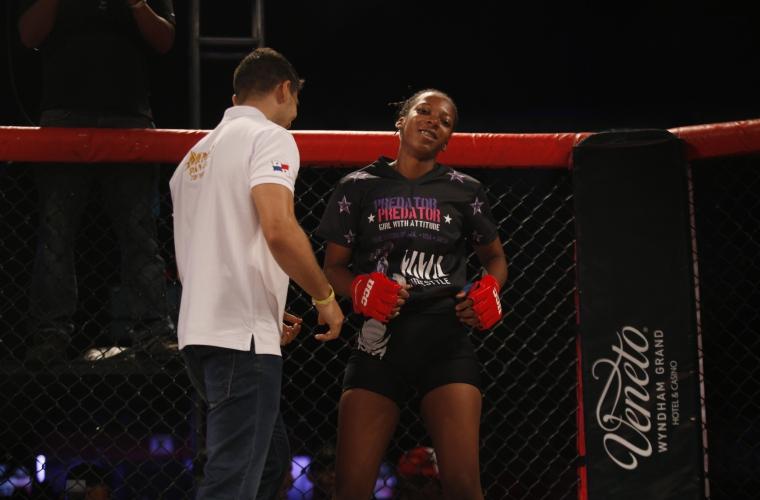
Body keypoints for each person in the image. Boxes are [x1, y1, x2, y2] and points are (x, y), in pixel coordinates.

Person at [170, 47, 344, 500]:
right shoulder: (270, 137)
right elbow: (278, 228)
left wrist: (266, 303)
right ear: (285, 89)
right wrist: (324, 296)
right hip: (238, 337)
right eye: (296, 100)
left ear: (236, 97)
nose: (295, 115)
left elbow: (205, 251)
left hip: (201, 331)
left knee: (268, 463)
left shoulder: (192, 157)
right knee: (233, 482)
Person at [316, 89, 507, 500]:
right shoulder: (357, 187)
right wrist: (359, 288)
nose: (434, 121)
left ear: (448, 139)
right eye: (424, 111)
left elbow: (494, 258)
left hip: (445, 338)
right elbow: (333, 267)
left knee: (464, 487)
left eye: (445, 121)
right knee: (350, 489)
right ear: (401, 121)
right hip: (378, 341)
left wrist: (490, 289)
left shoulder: (465, 190)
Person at [17, 0, 177, 365]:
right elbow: (28, 35)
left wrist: (137, 4)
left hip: (129, 116)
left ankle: (153, 332)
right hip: (64, 113)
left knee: (139, 233)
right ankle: (49, 336)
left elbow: (164, 41)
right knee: (55, 232)